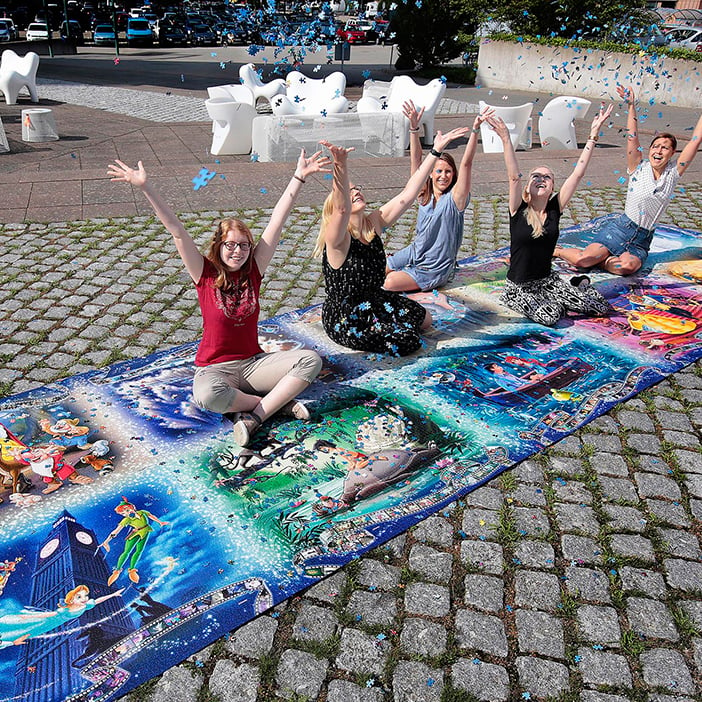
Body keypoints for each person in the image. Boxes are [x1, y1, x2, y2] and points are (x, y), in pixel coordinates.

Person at [108, 150, 329, 447]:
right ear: (218, 246)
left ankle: (255, 414)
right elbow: (176, 232)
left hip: (253, 365)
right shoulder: (205, 274)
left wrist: (299, 177)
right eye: (230, 245)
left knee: (309, 361)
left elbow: (277, 223)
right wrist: (145, 186)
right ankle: (273, 405)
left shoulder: (253, 271)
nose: (237, 251)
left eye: (243, 246)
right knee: (207, 396)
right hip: (214, 369)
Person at [313, 129, 470, 356]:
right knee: (407, 340)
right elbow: (341, 207)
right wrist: (340, 165)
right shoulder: (337, 238)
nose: (355, 191)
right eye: (349, 190)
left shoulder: (373, 223)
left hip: (373, 300)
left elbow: (409, 193)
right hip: (347, 315)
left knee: (424, 319)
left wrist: (436, 151)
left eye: (357, 188)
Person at [487, 103, 614, 326]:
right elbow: (513, 177)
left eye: (547, 177)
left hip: (548, 281)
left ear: (553, 186)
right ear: (528, 186)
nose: (541, 179)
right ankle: (558, 298)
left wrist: (593, 135)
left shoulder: (555, 208)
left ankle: (576, 286)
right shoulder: (518, 209)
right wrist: (506, 139)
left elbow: (577, 174)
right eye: (535, 176)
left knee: (600, 307)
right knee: (552, 314)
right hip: (518, 288)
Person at [555, 85, 702, 276]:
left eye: (664, 148)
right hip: (620, 229)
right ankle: (557, 250)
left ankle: (602, 261)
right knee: (583, 259)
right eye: (655, 146)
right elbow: (632, 137)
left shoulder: (672, 173)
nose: (658, 151)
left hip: (642, 240)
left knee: (625, 268)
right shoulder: (638, 168)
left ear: (673, 153)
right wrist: (631, 105)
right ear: (649, 150)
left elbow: (695, 141)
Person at [384, 101, 489, 292]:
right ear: (430, 173)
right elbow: (416, 161)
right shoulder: (424, 193)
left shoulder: (456, 199)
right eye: (439, 171)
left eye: (448, 172)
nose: (443, 176)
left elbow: (467, 164)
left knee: (390, 283)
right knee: (376, 269)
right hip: (415, 252)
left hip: (435, 268)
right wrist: (414, 129)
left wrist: (475, 131)